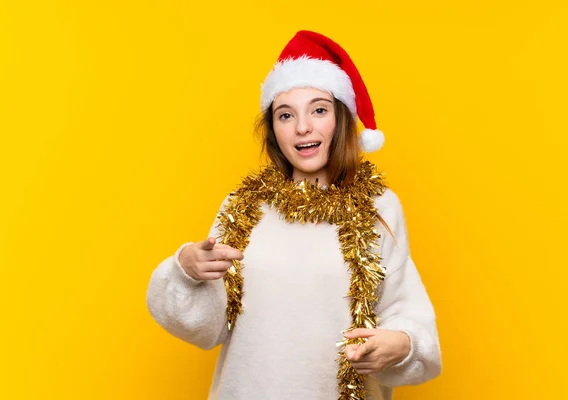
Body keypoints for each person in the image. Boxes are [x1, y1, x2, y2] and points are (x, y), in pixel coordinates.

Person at [146, 30, 441, 400]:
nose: (303, 127)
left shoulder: (379, 207)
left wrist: (400, 343)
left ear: (342, 119)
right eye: (286, 115)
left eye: (319, 110)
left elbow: (407, 314)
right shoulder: (243, 205)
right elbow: (209, 328)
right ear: (274, 130)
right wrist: (187, 270)